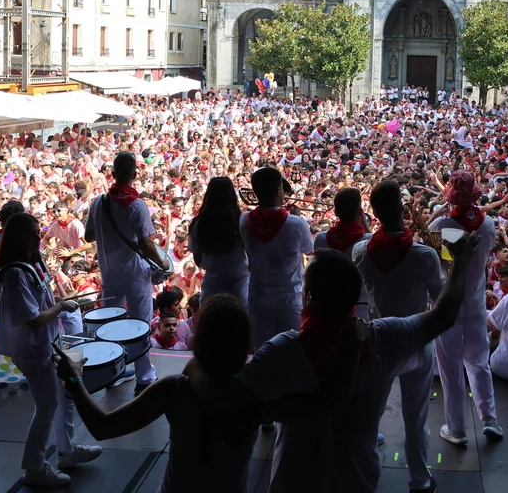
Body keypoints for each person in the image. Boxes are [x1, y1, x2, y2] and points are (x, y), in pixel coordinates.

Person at [222, 231, 477, 493]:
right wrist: (459, 262)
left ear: (308, 296)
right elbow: (443, 316)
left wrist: (276, 410)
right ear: (356, 296)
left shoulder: (281, 351)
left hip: (293, 482)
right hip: (356, 480)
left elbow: (229, 400)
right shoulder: (380, 340)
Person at [56, 293, 367, 493]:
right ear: (245, 346)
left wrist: (74, 379)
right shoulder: (255, 399)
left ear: (199, 340)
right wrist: (354, 347)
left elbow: (102, 426)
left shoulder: (174, 390)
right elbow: (330, 406)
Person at [0, 212, 101, 487]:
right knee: (47, 405)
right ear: (19, 239)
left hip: (49, 341)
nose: (38, 238)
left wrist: (57, 302)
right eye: (32, 234)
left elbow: (42, 298)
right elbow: (33, 319)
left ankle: (67, 450)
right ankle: (34, 467)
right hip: (33, 349)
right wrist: (62, 307)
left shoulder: (31, 264)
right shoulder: (14, 274)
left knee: (64, 395)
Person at [352, 181, 444, 492]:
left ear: (374, 213)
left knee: (371, 412)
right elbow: (440, 297)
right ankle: (420, 479)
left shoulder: (360, 251)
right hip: (416, 339)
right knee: (415, 417)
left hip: (380, 340)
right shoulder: (425, 256)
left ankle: (363, 477)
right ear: (403, 209)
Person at [85, 151, 171, 395]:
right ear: (135, 174)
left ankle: (111, 372)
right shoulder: (137, 205)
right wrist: (163, 264)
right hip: (135, 275)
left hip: (109, 274)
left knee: (110, 324)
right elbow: (146, 242)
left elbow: (89, 236)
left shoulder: (98, 203)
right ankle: (144, 377)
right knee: (140, 324)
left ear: (113, 174)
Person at [428, 170, 502, 443]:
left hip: (447, 303)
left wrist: (435, 217)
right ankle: (489, 419)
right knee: (479, 362)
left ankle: (456, 428)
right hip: (475, 302)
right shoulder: (488, 224)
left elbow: (438, 258)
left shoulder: (442, 224)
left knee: (450, 368)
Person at [241, 166, 313, 351]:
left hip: (258, 297)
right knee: (292, 351)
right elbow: (309, 249)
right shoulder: (296, 223)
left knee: (263, 350)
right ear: (279, 190)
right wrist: (296, 217)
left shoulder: (244, 220)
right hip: (290, 299)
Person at [189, 176, 249, 306]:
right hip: (241, 285)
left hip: (212, 286)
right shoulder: (241, 221)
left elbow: (197, 260)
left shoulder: (198, 224)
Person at [315, 188, 370, 314]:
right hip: (361, 308)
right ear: (360, 212)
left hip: (329, 306)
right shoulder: (368, 240)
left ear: (335, 212)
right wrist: (366, 226)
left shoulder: (321, 239)